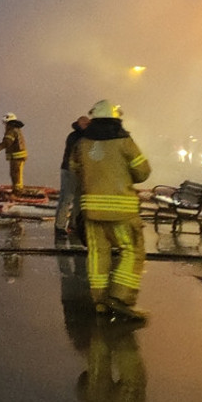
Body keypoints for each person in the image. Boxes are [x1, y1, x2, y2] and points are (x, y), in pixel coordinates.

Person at [69, 99, 151, 322]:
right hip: (121, 211)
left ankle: (100, 302)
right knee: (132, 250)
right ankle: (120, 297)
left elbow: (75, 168)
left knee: (97, 254)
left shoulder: (82, 142)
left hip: (92, 211)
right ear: (115, 119)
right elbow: (143, 172)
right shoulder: (124, 141)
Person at [55, 115, 90, 238]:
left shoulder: (83, 137)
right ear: (80, 124)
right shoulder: (75, 137)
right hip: (70, 172)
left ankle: (74, 225)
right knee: (67, 198)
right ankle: (60, 227)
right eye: (85, 124)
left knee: (79, 199)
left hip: (80, 172)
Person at [0, 113, 28, 192]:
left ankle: (17, 191)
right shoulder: (16, 129)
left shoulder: (11, 131)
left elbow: (7, 142)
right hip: (18, 156)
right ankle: (17, 189)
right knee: (17, 173)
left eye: (5, 123)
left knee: (16, 174)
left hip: (17, 157)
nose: (5, 126)